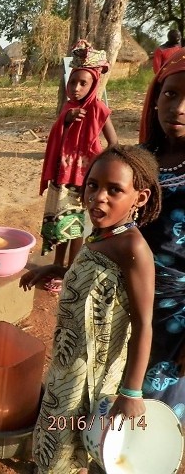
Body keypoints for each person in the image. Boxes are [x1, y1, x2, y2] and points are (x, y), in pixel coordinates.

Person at [20, 144, 161, 473]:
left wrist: (131, 391)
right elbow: (95, 279)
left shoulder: (133, 248)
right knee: (58, 431)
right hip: (68, 362)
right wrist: (54, 271)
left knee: (77, 438)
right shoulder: (99, 232)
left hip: (92, 374)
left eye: (115, 190)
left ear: (139, 198)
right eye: (93, 185)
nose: (98, 197)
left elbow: (143, 324)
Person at [38, 40, 117, 292]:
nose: (76, 88)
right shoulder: (68, 109)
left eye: (83, 83)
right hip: (62, 177)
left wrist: (100, 169)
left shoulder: (98, 109)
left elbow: (113, 143)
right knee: (60, 223)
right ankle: (57, 265)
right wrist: (65, 120)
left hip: (83, 180)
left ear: (94, 84)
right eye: (73, 82)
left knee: (75, 226)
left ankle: (69, 271)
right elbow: (56, 140)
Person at [139, 48, 185, 424]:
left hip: (175, 319)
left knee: (153, 411)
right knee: (108, 395)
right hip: (121, 303)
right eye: (171, 94)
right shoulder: (138, 159)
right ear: (156, 98)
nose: (179, 107)